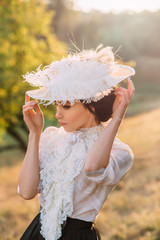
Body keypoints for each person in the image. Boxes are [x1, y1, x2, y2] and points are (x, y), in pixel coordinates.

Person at [18, 46, 135, 240]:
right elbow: (26, 192)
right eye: (57, 105)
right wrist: (34, 134)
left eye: (66, 106)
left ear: (92, 105)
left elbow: (92, 168)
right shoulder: (50, 138)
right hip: (36, 233)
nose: (58, 114)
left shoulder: (120, 152)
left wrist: (117, 118)